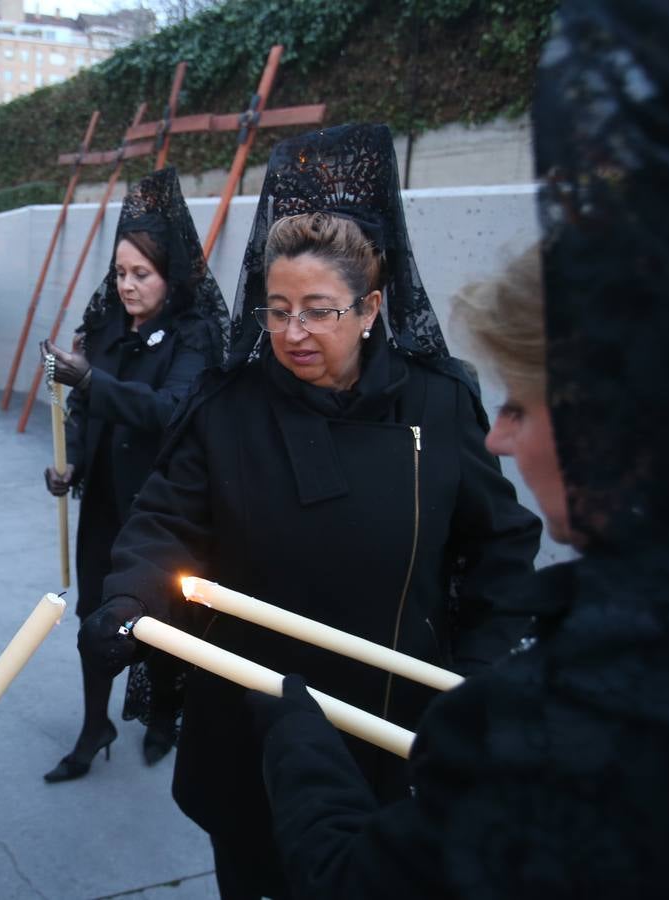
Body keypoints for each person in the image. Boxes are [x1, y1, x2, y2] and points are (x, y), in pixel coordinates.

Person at [243, 3, 669, 895]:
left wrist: (309, 751)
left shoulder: (580, 719)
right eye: (279, 310)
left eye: (526, 407)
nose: (502, 433)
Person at [78, 122, 544, 899]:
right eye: (276, 308)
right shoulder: (228, 404)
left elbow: (499, 547)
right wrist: (129, 597)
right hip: (253, 715)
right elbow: (164, 520)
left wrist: (482, 675)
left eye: (319, 311)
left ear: (370, 307)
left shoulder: (439, 400)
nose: (292, 333)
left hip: (392, 723)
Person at [39, 168, 228, 782]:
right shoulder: (106, 332)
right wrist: (71, 467)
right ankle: (96, 725)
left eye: (139, 273)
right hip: (104, 510)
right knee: (96, 620)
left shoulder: (194, 337)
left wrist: (90, 380)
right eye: (119, 273)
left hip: (167, 516)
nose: (126, 285)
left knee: (164, 624)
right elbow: (85, 412)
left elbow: (169, 412)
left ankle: (162, 716)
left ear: (168, 275)